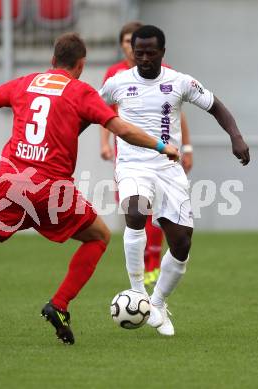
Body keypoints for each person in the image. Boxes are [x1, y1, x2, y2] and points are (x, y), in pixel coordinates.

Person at [0, 32, 180, 346]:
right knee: (99, 236)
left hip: (9, 186)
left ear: (53, 60)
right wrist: (162, 146)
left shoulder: (24, 82)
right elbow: (120, 128)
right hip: (51, 190)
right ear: (80, 65)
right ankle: (60, 304)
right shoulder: (80, 91)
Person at [99, 25, 250, 336]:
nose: (142, 58)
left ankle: (157, 302)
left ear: (162, 53)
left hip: (168, 168)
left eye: (149, 53)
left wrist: (236, 137)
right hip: (132, 164)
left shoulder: (179, 82)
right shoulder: (117, 83)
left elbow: (215, 106)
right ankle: (138, 291)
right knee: (136, 213)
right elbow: (87, 111)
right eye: (138, 52)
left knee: (181, 243)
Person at [99, 21, 194, 288]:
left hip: (165, 159)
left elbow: (178, 114)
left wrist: (187, 147)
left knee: (163, 220)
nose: (138, 53)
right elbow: (103, 113)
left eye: (145, 48)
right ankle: (139, 282)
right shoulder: (115, 76)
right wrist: (105, 143)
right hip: (129, 157)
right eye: (130, 43)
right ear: (124, 46)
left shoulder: (170, 76)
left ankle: (153, 266)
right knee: (137, 210)